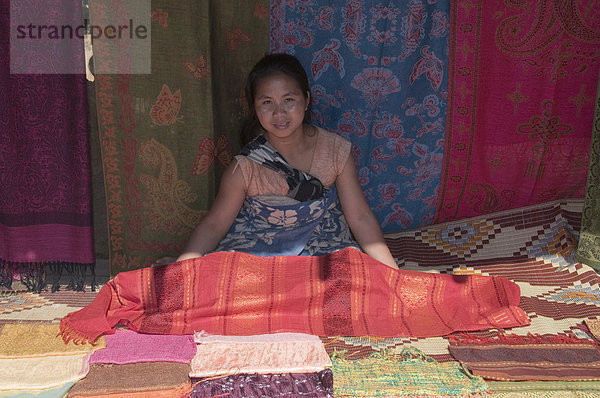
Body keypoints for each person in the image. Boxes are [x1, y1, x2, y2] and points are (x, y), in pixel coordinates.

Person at [175, 53, 398, 269]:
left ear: (306, 100)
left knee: (351, 285)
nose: (279, 113)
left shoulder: (335, 151)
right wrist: (180, 271)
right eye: (267, 102)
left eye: (288, 100)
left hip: (323, 249)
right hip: (257, 255)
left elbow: (359, 217)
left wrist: (393, 274)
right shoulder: (245, 167)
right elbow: (214, 226)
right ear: (254, 107)